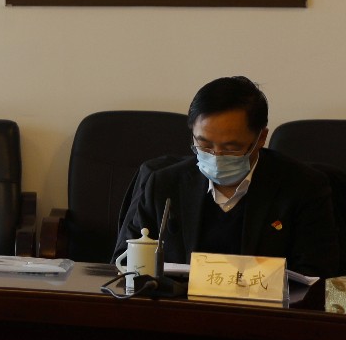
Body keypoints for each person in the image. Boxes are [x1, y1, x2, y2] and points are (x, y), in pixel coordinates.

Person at [113, 76, 340, 278]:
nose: (216, 156)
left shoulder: (303, 186)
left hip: (265, 310)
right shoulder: (164, 183)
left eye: (231, 148)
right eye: (204, 145)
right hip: (180, 308)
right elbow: (123, 264)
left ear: (261, 138)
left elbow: (317, 274)